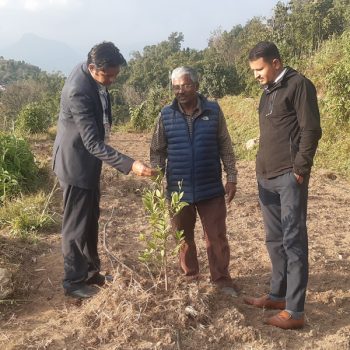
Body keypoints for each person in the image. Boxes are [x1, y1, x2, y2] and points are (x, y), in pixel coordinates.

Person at [52, 41, 156, 299]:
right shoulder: (79, 90)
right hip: (75, 163)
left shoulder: (92, 78)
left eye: (114, 75)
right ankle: (73, 282)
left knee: (90, 220)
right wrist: (131, 164)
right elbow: (91, 142)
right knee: (75, 226)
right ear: (91, 67)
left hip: (88, 164)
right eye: (106, 76)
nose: (111, 80)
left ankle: (91, 272)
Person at [244, 42, 322, 329]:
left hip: (289, 177)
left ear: (276, 63)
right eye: (253, 70)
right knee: (274, 240)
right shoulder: (267, 92)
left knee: (293, 241)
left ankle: (295, 311)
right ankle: (277, 295)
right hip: (266, 177)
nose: (256, 75)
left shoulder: (298, 85)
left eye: (259, 69)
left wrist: (300, 169)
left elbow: (311, 129)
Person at [150, 66, 238, 294]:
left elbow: (225, 145)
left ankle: (221, 280)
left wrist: (232, 177)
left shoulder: (214, 111)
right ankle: (191, 276)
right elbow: (157, 150)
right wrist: (158, 180)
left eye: (186, 85)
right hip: (178, 190)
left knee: (216, 236)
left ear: (197, 86)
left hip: (210, 188)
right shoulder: (165, 115)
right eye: (176, 87)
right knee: (183, 237)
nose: (180, 91)